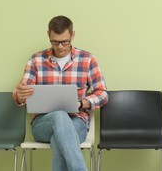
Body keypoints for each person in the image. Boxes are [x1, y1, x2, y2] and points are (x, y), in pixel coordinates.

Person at [13, 15, 108, 171]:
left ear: (72, 35)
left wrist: (80, 103)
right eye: (55, 42)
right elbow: (20, 93)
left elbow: (103, 94)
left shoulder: (87, 59)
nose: (60, 47)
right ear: (48, 35)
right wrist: (19, 95)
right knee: (59, 115)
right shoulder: (36, 60)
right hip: (43, 124)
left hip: (77, 121)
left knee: (59, 140)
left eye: (65, 41)